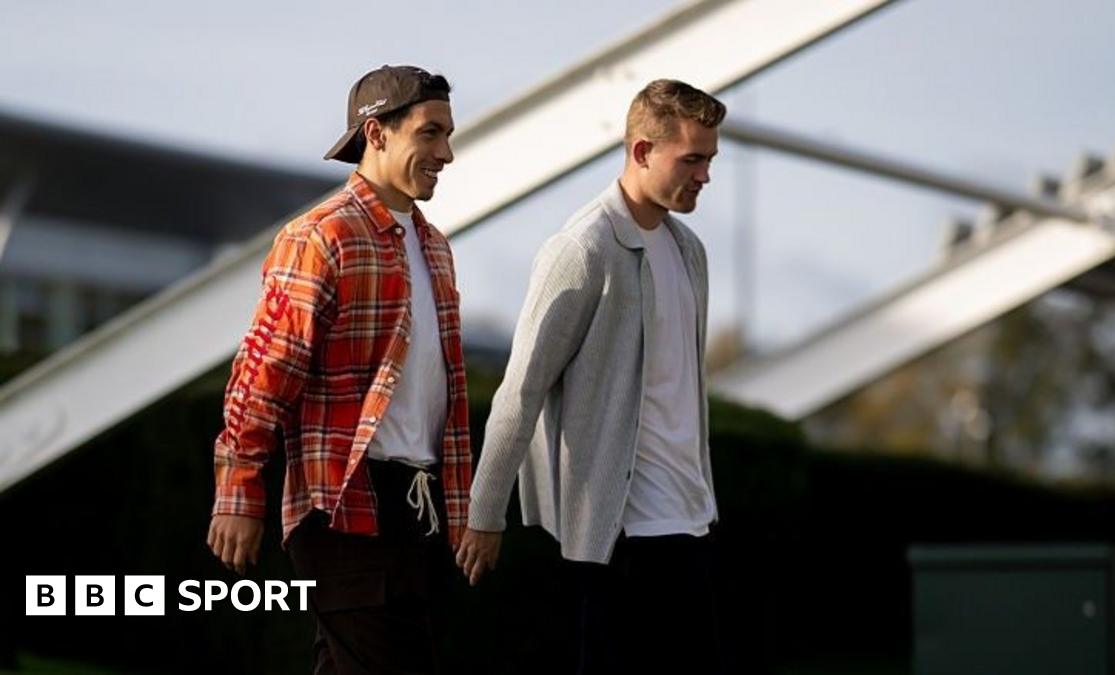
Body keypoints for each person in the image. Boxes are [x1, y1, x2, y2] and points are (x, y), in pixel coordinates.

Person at [206, 64, 472, 675]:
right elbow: (263, 373)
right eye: (430, 133)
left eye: (448, 135)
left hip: (419, 507)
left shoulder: (434, 247)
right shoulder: (322, 236)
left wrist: (462, 511)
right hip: (344, 505)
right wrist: (238, 491)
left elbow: (444, 393)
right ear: (376, 134)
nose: (446, 153)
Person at [458, 79, 727, 674]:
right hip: (619, 535)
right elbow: (521, 389)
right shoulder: (583, 249)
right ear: (642, 151)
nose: (705, 174)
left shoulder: (690, 252)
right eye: (692, 159)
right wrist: (484, 513)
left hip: (692, 521)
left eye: (710, 159)